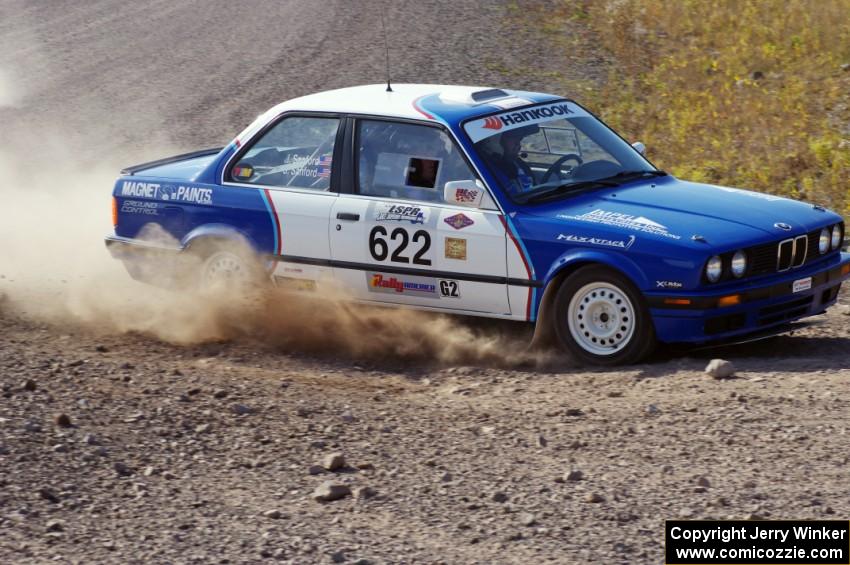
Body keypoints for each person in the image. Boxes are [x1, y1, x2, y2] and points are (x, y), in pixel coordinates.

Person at [482, 125, 539, 195]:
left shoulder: (519, 164)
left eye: (519, 139)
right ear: (497, 142)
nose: (518, 144)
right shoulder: (486, 173)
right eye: (513, 139)